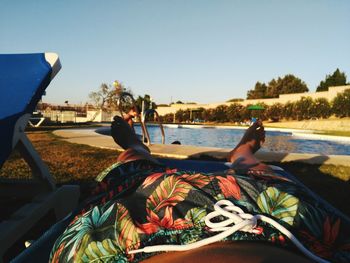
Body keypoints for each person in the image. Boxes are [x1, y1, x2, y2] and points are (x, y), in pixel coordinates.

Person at [50, 118, 350, 263]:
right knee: (259, 172)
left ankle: (134, 146)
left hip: (134, 228)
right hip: (291, 225)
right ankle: (242, 152)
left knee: (133, 168)